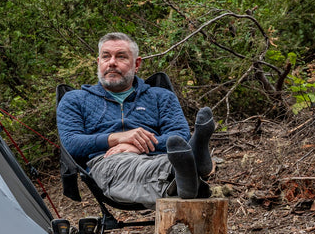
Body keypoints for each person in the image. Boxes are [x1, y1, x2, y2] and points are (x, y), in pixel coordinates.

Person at [56, 32, 215, 207]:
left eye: (121, 57)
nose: (112, 62)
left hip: (157, 156)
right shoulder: (75, 99)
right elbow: (71, 143)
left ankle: (185, 179)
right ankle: (192, 166)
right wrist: (117, 138)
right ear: (98, 62)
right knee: (134, 166)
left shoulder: (161, 97)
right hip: (108, 162)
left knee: (168, 159)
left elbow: (179, 136)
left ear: (136, 64)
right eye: (106, 56)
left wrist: (134, 146)